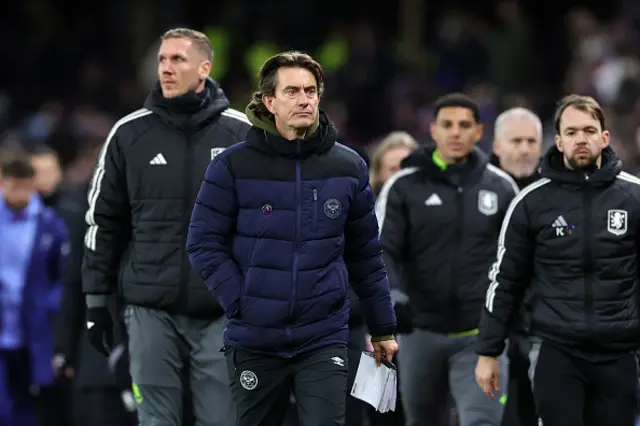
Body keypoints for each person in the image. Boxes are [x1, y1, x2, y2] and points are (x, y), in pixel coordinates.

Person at [186, 50, 398, 426]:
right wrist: (240, 300)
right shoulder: (233, 166)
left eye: (311, 91)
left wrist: (383, 327)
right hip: (254, 338)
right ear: (269, 101)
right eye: (293, 92)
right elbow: (203, 242)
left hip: (324, 336)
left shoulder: (348, 167)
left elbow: (366, 255)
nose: (304, 99)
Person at [81, 27, 251, 426]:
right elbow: (102, 222)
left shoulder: (242, 134)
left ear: (204, 68)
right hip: (149, 309)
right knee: (156, 421)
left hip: (222, 309)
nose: (167, 69)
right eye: (162, 60)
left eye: (178, 60)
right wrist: (95, 299)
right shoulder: (128, 133)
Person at [475, 94, 640, 426]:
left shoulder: (634, 197)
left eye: (590, 130)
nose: (582, 139)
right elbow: (505, 280)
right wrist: (488, 351)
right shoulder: (531, 203)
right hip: (557, 349)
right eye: (573, 131)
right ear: (559, 141)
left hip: (620, 350)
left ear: (604, 138)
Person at [377, 93, 518, 426]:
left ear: (479, 132)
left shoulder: (502, 189)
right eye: (448, 125)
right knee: (423, 420)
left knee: (482, 421)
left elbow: (518, 259)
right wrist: (392, 295)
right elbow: (382, 250)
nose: (456, 133)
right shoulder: (403, 186)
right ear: (433, 130)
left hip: (480, 336)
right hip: (420, 331)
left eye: (465, 125)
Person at [0, 152, 69, 426]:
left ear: (32, 184)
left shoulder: (50, 224)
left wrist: (48, 306)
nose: (19, 192)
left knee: (29, 408)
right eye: (12, 184)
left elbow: (62, 277)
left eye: (24, 185)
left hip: (34, 331)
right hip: (3, 327)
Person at [491, 107, 542, 426]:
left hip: (544, 331)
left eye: (531, 141)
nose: (524, 149)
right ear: (497, 146)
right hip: (490, 334)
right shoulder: (475, 193)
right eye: (516, 141)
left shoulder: (558, 194)